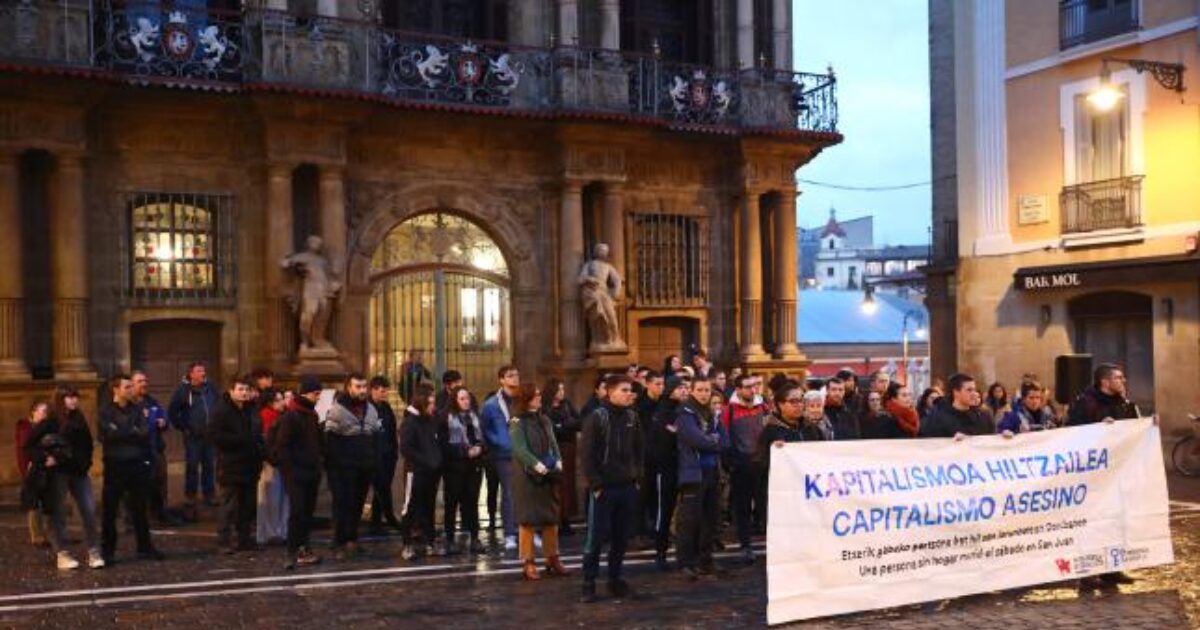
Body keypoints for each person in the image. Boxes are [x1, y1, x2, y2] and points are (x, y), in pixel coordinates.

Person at [579, 374, 644, 603]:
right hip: (604, 488)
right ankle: (589, 582)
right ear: (610, 392)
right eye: (625, 390)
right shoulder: (597, 417)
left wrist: (637, 478)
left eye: (631, 390)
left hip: (626, 486)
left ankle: (615, 580)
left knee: (621, 537)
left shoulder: (632, 417)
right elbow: (587, 454)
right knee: (595, 538)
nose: (629, 394)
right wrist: (596, 485)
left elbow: (639, 450)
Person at [25, 390, 102, 570]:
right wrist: (45, 459)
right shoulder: (50, 422)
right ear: (61, 400)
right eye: (69, 397)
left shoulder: (79, 420)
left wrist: (85, 464)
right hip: (58, 473)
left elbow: (87, 445)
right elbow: (28, 446)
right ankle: (62, 553)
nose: (74, 400)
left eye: (75, 397)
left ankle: (94, 550)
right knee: (57, 512)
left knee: (89, 509)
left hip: (78, 472)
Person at [100, 374, 164, 565]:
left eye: (130, 386)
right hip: (115, 465)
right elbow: (109, 435)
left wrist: (123, 430)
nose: (130, 390)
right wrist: (131, 430)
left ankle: (145, 547)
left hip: (136, 464)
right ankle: (107, 550)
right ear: (116, 389)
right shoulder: (105, 411)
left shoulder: (137, 409)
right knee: (110, 511)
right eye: (126, 387)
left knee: (139, 509)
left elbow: (144, 432)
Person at [510, 383, 570, 580]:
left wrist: (558, 461)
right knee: (527, 519)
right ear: (525, 399)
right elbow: (520, 449)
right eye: (535, 395)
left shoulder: (544, 419)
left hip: (548, 472)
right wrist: (537, 466)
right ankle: (528, 561)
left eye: (538, 395)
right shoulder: (517, 421)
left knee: (551, 516)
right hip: (528, 476)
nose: (538, 398)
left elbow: (553, 442)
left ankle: (552, 557)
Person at [324, 373, 382, 558]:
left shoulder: (371, 409)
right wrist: (337, 465)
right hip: (342, 468)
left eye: (364, 386)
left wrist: (373, 461)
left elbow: (375, 437)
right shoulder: (337, 410)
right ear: (348, 387)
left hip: (364, 467)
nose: (362, 390)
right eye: (358, 386)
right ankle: (339, 542)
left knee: (357, 504)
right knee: (343, 504)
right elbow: (330, 441)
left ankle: (352, 539)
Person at [674, 377, 726, 580]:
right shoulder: (685, 413)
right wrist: (713, 441)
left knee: (711, 518)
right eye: (700, 390)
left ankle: (706, 560)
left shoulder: (711, 413)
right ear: (692, 391)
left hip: (712, 471)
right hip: (693, 473)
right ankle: (685, 562)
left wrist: (712, 441)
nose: (704, 393)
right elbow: (696, 440)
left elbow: (724, 438)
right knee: (689, 521)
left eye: (707, 390)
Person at [209, 375, 263, 554]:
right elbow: (214, 435)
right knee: (228, 506)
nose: (244, 393)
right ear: (231, 391)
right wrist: (241, 440)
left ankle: (244, 540)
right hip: (230, 465)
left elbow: (256, 433)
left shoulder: (251, 409)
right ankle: (223, 542)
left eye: (246, 390)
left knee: (247, 506)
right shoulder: (222, 410)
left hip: (249, 465)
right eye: (240, 389)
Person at [275, 375, 324, 569]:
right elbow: (283, 446)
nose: (318, 397)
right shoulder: (292, 415)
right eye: (315, 393)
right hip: (295, 473)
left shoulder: (312, 415)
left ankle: (305, 548)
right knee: (297, 512)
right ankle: (291, 551)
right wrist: (289, 470)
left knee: (307, 512)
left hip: (311, 472)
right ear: (305, 393)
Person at [723, 373, 770, 564]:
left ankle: (771, 543)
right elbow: (725, 438)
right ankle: (745, 545)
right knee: (742, 509)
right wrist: (732, 463)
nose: (752, 389)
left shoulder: (764, 406)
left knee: (765, 507)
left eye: (754, 385)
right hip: (741, 467)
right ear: (739, 389)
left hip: (762, 465)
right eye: (748, 386)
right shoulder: (730, 410)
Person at [439, 386, 487, 554]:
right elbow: (444, 444)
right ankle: (450, 539)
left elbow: (483, 438)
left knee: (472, 502)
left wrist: (480, 448)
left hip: (474, 466)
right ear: (455, 401)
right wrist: (464, 451)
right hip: (454, 467)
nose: (466, 401)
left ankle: (475, 538)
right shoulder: (446, 418)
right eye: (461, 399)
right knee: (451, 504)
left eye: (467, 398)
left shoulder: (475, 417)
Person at [480, 365, 521, 550]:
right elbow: (487, 431)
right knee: (509, 493)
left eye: (517, 375)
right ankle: (510, 533)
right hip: (504, 455)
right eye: (510, 376)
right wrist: (502, 445)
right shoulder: (491, 405)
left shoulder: (522, 400)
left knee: (524, 494)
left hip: (524, 454)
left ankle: (526, 530)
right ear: (501, 380)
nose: (515, 378)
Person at [168, 362, 218, 510]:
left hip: (209, 435)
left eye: (203, 370)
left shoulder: (211, 388)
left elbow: (218, 404)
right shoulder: (183, 391)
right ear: (192, 374)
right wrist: (183, 427)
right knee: (192, 465)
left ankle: (209, 494)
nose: (203, 373)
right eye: (199, 371)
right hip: (193, 436)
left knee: (209, 465)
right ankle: (191, 495)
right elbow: (172, 411)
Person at [399, 385, 442, 560]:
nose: (433, 406)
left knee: (428, 507)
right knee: (410, 508)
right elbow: (407, 448)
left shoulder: (430, 420)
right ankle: (407, 544)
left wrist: (436, 462)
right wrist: (427, 461)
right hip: (415, 472)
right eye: (430, 403)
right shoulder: (410, 422)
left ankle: (430, 542)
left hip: (431, 473)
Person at [650, 375, 687, 570]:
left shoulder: (684, 410)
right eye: (679, 388)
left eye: (684, 387)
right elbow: (663, 438)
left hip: (684, 467)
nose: (683, 391)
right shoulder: (662, 412)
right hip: (665, 469)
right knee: (664, 510)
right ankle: (660, 551)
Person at [131, 371, 175, 526]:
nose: (144, 384)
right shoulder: (129, 404)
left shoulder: (152, 402)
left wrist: (164, 422)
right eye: (140, 381)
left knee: (159, 481)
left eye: (145, 381)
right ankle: (138, 516)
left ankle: (160, 512)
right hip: (138, 451)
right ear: (132, 384)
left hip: (155, 448)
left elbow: (163, 417)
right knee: (140, 484)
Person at [543, 378, 581, 535]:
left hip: (568, 449)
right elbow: (550, 429)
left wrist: (563, 425)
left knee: (568, 486)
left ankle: (566, 519)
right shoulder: (545, 408)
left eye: (563, 389)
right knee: (556, 486)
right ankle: (555, 519)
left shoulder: (566, 405)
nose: (562, 392)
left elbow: (578, 422)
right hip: (553, 451)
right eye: (559, 389)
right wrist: (564, 425)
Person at [368, 376, 402, 536]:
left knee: (383, 488)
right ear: (373, 390)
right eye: (382, 391)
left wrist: (394, 451)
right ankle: (387, 517)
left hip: (388, 454)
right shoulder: (367, 407)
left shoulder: (386, 407)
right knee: (380, 488)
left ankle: (378, 520)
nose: (385, 394)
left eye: (386, 391)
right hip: (373, 455)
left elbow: (391, 429)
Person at [256, 388, 289, 546]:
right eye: (278, 399)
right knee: (271, 500)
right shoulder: (266, 416)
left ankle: (278, 531)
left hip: (279, 462)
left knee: (278, 499)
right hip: (271, 462)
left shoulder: (280, 416)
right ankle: (271, 533)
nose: (282, 402)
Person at [635, 370, 664, 540]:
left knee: (657, 497)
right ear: (647, 384)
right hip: (644, 458)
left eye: (662, 384)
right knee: (642, 497)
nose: (661, 388)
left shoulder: (664, 404)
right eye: (657, 384)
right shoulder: (639, 406)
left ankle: (656, 530)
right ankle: (639, 533)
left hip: (661, 457)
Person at [16, 401, 48, 548]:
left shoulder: (42, 428)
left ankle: (43, 534)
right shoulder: (26, 428)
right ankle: (37, 536)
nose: (44, 415)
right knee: (33, 503)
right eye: (42, 411)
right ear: (33, 412)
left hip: (41, 468)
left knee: (41, 501)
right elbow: (24, 450)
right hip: (31, 469)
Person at [919, 373, 991, 438]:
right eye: (969, 390)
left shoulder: (983, 417)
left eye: (974, 390)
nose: (974, 393)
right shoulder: (938, 418)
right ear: (956, 392)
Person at [1066, 363, 1139, 426]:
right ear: (1105, 382)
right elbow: (1074, 431)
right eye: (1118, 378)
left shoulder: (1126, 405)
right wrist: (1098, 425)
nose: (1124, 381)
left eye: (1123, 377)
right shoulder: (1085, 403)